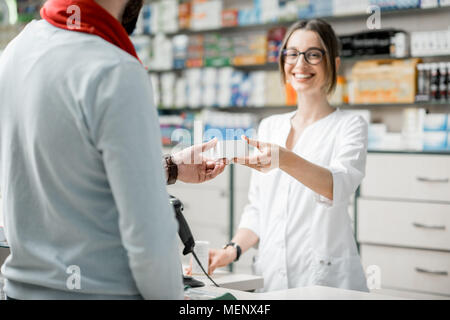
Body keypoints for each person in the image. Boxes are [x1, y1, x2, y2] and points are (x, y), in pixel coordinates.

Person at [0, 0, 226, 300]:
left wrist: (170, 167)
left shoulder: (17, 51)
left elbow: (64, 171)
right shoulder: (114, 69)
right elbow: (149, 241)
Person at [206, 19, 369, 292]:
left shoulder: (350, 126)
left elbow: (336, 186)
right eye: (292, 54)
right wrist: (231, 250)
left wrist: (284, 159)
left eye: (313, 54)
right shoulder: (271, 126)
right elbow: (258, 209)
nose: (300, 64)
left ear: (335, 64)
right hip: (272, 277)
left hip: (326, 281)